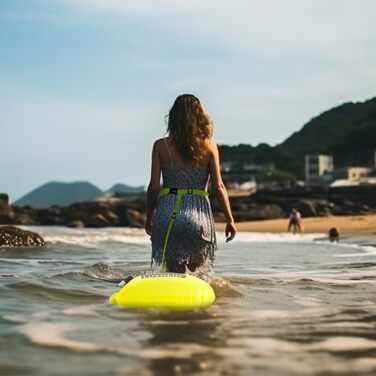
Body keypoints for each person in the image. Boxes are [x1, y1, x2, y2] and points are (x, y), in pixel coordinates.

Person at [145, 94, 236, 273]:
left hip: (167, 214)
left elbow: (154, 187)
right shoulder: (209, 146)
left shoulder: (160, 146)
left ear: (173, 117)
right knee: (197, 274)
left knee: (172, 274)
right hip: (198, 215)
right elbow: (218, 186)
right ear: (199, 116)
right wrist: (229, 219)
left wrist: (149, 217)